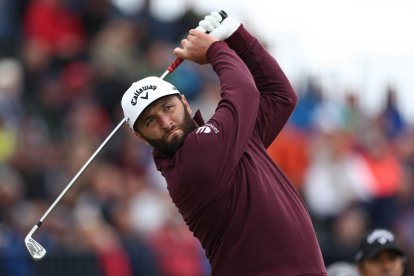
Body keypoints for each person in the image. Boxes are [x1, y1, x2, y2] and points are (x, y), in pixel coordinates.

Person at [121, 11, 326, 275]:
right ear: (140, 136)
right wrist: (216, 49)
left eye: (168, 108)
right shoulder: (190, 164)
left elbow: (280, 95)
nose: (165, 121)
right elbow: (244, 91)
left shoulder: (231, 139)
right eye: (150, 121)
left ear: (184, 101)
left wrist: (237, 36)